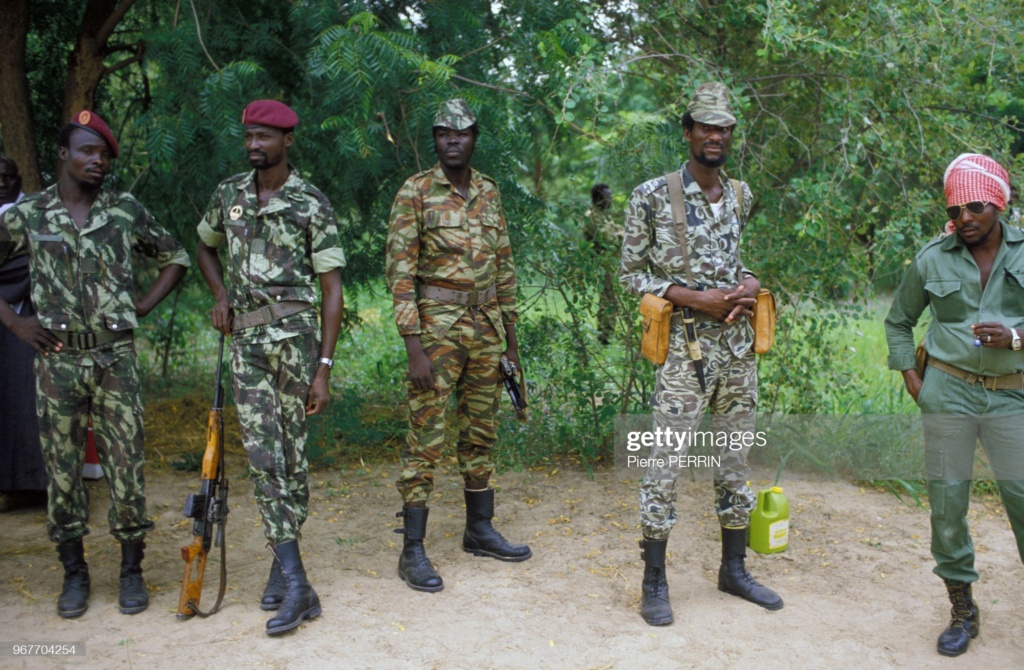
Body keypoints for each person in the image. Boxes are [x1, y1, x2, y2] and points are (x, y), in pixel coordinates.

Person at [0, 112, 189, 617]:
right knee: (61, 472)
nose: (97, 161)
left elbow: (177, 256)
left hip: (116, 359)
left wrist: (143, 304)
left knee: (127, 469)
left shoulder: (124, 210)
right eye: (86, 151)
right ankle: (75, 573)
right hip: (56, 361)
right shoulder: (29, 214)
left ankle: (131, 571)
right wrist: (17, 325)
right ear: (63, 155)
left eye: (104, 154)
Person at [619, 82, 782, 626]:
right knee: (663, 464)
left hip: (738, 351)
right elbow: (630, 275)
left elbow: (737, 259)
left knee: (735, 460)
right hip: (684, 353)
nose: (715, 136)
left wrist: (748, 283)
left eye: (724, 128)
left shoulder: (741, 195)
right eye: (705, 127)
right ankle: (655, 581)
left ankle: (733, 571)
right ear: (687, 131)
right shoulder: (650, 196)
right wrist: (697, 299)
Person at [196, 99, 345, 636]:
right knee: (263, 457)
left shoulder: (311, 203)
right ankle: (299, 582)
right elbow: (203, 245)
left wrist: (323, 368)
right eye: (249, 138)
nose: (254, 146)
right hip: (247, 345)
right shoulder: (229, 195)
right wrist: (219, 294)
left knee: (293, 460)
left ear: (287, 141)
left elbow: (332, 291)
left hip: (298, 343)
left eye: (264, 137)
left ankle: (283, 563)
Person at [385, 98, 531, 593]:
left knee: (481, 430)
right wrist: (413, 347)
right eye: (444, 132)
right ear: (435, 139)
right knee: (426, 436)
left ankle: (479, 530)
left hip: (488, 327)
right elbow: (400, 273)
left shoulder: (489, 191)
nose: (453, 139)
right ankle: (413, 551)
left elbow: (506, 268)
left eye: (462, 132)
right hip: (436, 330)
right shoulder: (416, 192)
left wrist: (511, 344)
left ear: (474, 137)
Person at [885, 153, 1024, 657]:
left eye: (976, 207)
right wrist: (913, 379)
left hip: (1014, 395)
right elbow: (898, 321)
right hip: (948, 394)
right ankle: (963, 609)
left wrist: (1013, 336)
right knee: (947, 506)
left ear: (999, 205)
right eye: (956, 208)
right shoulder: (933, 258)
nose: (965, 217)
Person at [0, 156, 48, 511]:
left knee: (29, 404)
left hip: (31, 319)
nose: (1, 182)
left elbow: (43, 262)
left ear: (18, 180)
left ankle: (38, 486)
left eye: (7, 176)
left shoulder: (36, 213)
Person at [583, 182, 619, 344]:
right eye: (607, 197)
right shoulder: (591, 216)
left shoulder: (604, 216)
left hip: (611, 262)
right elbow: (608, 239)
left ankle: (607, 333)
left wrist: (619, 233)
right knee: (608, 298)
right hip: (602, 263)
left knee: (611, 298)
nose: (610, 200)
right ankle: (605, 335)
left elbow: (621, 230)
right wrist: (618, 234)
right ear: (599, 199)